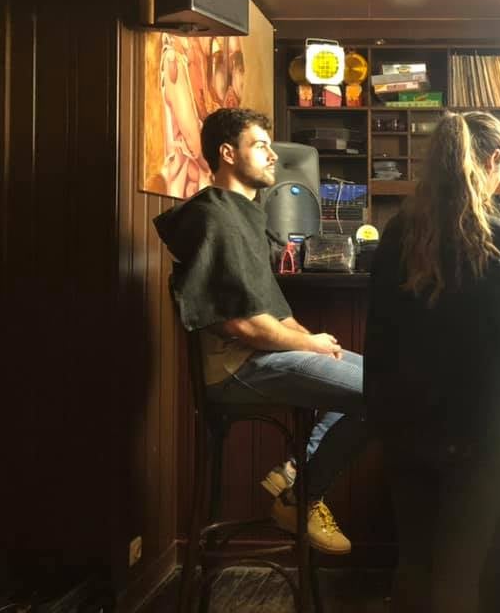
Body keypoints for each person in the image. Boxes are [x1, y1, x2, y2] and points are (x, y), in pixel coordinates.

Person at [153, 107, 366, 555]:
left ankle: (296, 477)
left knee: (385, 382)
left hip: (262, 357)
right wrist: (307, 343)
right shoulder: (215, 217)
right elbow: (244, 324)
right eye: (261, 146)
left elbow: (271, 311)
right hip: (237, 368)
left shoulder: (242, 215)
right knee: (383, 391)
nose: (273, 156)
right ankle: (302, 496)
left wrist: (311, 343)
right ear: (228, 153)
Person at [365, 111, 500, 612]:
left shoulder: (397, 232)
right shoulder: (498, 242)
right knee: (459, 572)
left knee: (414, 562)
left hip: (403, 424)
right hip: (476, 429)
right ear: (493, 160)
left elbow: (377, 334)